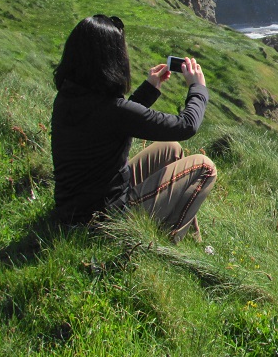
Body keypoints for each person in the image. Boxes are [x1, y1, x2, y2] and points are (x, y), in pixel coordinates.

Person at [51, 14, 216, 242]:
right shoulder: (112, 110)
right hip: (103, 219)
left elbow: (116, 121)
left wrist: (150, 89)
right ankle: (169, 243)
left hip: (75, 208)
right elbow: (186, 126)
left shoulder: (69, 97)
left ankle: (192, 239)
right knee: (205, 167)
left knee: (171, 149)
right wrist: (198, 88)